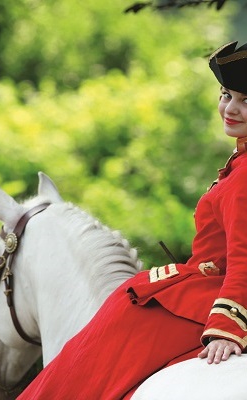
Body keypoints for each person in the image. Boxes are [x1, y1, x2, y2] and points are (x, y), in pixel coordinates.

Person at [17, 41, 247, 400]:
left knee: (121, 317)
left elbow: (244, 257)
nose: (230, 108)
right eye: (225, 94)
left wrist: (227, 327)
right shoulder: (240, 161)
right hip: (212, 287)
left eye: (246, 101)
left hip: (219, 297)